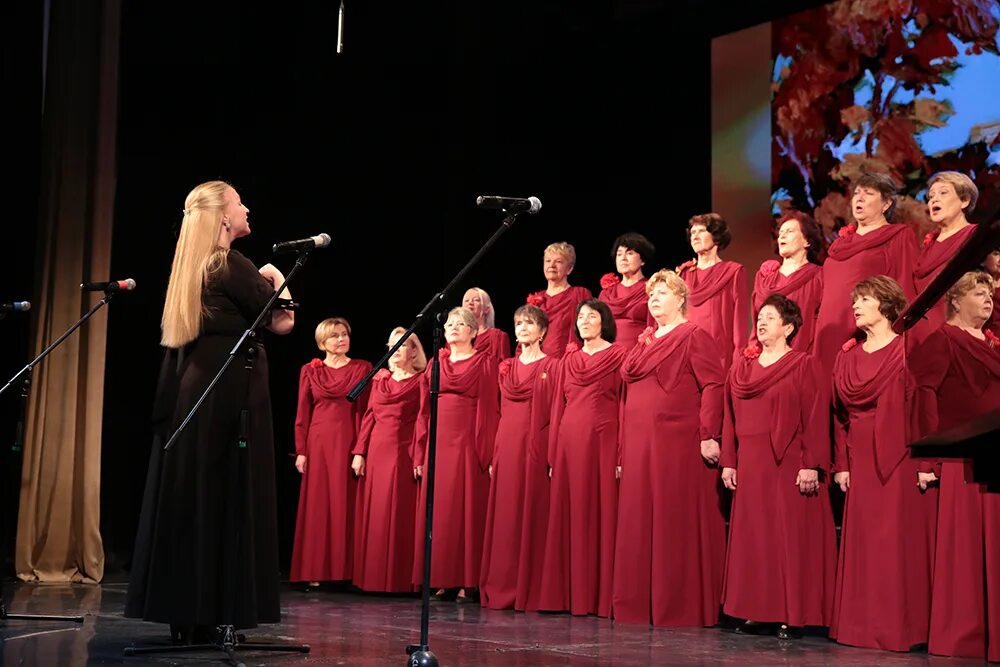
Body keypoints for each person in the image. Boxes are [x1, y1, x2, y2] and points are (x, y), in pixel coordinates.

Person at [125, 180, 294, 642]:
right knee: (226, 496)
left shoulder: (193, 267)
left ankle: (191, 613)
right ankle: (219, 611)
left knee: (198, 499)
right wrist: (278, 279)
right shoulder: (229, 264)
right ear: (223, 217)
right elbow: (282, 321)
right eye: (240, 203)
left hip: (193, 392)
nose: (247, 207)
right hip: (227, 396)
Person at [612, 270, 726, 627]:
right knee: (639, 519)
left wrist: (709, 433)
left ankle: (676, 602)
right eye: (651, 294)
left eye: (662, 292)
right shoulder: (643, 341)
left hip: (674, 442)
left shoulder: (694, 335)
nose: (654, 299)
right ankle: (637, 603)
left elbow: (713, 384)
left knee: (671, 518)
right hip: (639, 443)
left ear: (681, 299)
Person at [830, 276, 936, 652]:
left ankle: (899, 630)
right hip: (859, 458)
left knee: (894, 543)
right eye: (854, 300)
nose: (856, 306)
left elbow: (924, 410)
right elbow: (838, 418)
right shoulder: (846, 356)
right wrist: (840, 463)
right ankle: (859, 628)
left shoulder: (908, 350)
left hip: (900, 457)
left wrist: (927, 462)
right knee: (863, 545)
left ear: (888, 305)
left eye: (865, 299)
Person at [720, 294, 836, 638]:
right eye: (760, 316)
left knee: (787, 538)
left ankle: (790, 611)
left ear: (788, 327)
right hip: (751, 463)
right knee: (756, 537)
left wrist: (811, 463)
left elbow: (815, 417)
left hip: (787, 462)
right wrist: (729, 461)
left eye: (770, 317)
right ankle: (758, 610)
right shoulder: (741, 367)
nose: (762, 322)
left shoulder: (803, 364)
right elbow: (729, 417)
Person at [911, 271, 1000, 662]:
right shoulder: (942, 339)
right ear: (955, 301)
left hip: (994, 453)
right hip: (962, 460)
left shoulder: (994, 344)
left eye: (991, 294)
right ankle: (964, 635)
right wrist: (930, 456)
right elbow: (924, 398)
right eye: (979, 293)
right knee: (966, 552)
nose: (988, 299)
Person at [538, 299, 626, 617]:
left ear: (604, 321)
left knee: (600, 511)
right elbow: (557, 408)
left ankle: (599, 597)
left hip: (603, 438)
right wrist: (553, 453)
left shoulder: (618, 355)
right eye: (581, 317)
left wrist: (620, 452)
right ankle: (566, 595)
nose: (585, 321)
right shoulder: (568, 359)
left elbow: (622, 403)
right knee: (569, 510)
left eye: (592, 316)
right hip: (569, 442)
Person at [412, 307, 499, 603]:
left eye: (461, 323)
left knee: (465, 509)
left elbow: (489, 408)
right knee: (441, 511)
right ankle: (440, 577)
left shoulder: (484, 362)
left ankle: (466, 580)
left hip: (467, 442)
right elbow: (424, 410)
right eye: (450, 323)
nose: (453, 327)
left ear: (474, 331)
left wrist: (484, 451)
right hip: (438, 440)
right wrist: (420, 452)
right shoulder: (436, 363)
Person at [480, 305, 558, 611]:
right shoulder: (506, 366)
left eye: (529, 323)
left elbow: (554, 411)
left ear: (542, 331)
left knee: (531, 510)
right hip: (507, 442)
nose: (523, 328)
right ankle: (502, 584)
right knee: (506, 512)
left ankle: (530, 586)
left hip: (535, 441)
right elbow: (497, 411)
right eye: (519, 323)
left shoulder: (552, 365)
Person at [289, 318, 372, 589]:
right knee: (318, 506)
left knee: (346, 503)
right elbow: (303, 413)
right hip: (319, 442)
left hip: (349, 437)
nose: (342, 339)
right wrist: (301, 450)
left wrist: (361, 447)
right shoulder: (311, 370)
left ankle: (346, 572)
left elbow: (367, 411)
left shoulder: (362, 368)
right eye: (335, 335)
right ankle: (315, 570)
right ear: (323, 341)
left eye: (345, 334)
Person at [813, 173, 917, 373]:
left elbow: (905, 288)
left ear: (886, 204)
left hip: (865, 331)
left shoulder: (897, 237)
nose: (859, 198)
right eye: (857, 193)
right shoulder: (839, 245)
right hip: (827, 332)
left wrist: (900, 337)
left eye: (868, 193)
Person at [351, 327, 427, 593]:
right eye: (392, 346)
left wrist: (419, 455)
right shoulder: (379, 379)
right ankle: (372, 578)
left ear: (414, 351)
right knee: (378, 511)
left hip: (404, 449)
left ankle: (400, 580)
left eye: (402, 345)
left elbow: (423, 419)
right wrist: (359, 451)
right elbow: (369, 415)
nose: (395, 352)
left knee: (400, 513)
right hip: (377, 450)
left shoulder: (420, 381)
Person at [911, 172, 979, 345]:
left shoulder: (976, 237)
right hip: (924, 336)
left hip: (962, 333)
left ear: (964, 201)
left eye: (943, 193)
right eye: (931, 196)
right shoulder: (927, 246)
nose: (934, 199)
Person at [677, 213, 748, 376]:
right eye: (692, 233)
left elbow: (739, 319)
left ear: (716, 237)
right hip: (685, 352)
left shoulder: (732, 272)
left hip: (718, 354)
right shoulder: (683, 274)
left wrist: (738, 356)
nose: (695, 236)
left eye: (701, 231)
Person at [750, 211, 824, 354]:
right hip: (765, 357)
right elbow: (755, 320)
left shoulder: (819, 276)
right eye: (781, 232)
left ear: (807, 241)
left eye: (789, 231)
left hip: (802, 358)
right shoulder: (764, 278)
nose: (782, 236)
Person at [526, 242, 593, 358]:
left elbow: (592, 330)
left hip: (568, 363)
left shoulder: (580, 294)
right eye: (547, 261)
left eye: (558, 261)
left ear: (569, 269)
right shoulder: (535, 300)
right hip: (538, 364)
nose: (551, 265)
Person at [598, 232, 656, 347]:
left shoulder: (652, 289)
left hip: (640, 353)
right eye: (619, 254)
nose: (623, 258)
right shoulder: (606, 294)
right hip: (609, 354)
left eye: (629, 253)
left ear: (642, 260)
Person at [464, 287, 511, 363]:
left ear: (487, 309)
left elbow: (504, 369)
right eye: (466, 301)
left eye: (476, 300)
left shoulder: (498, 337)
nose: (470, 303)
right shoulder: (456, 337)